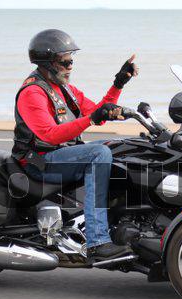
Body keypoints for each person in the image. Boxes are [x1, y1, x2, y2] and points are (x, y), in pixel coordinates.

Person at [12, 29, 139, 261]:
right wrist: (91, 119)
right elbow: (50, 135)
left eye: (71, 60)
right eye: (66, 61)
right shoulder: (32, 93)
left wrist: (119, 83)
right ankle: (97, 241)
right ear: (48, 62)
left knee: (119, 146)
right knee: (99, 153)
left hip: (60, 153)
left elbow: (98, 112)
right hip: (39, 161)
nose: (71, 66)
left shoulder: (65, 89)